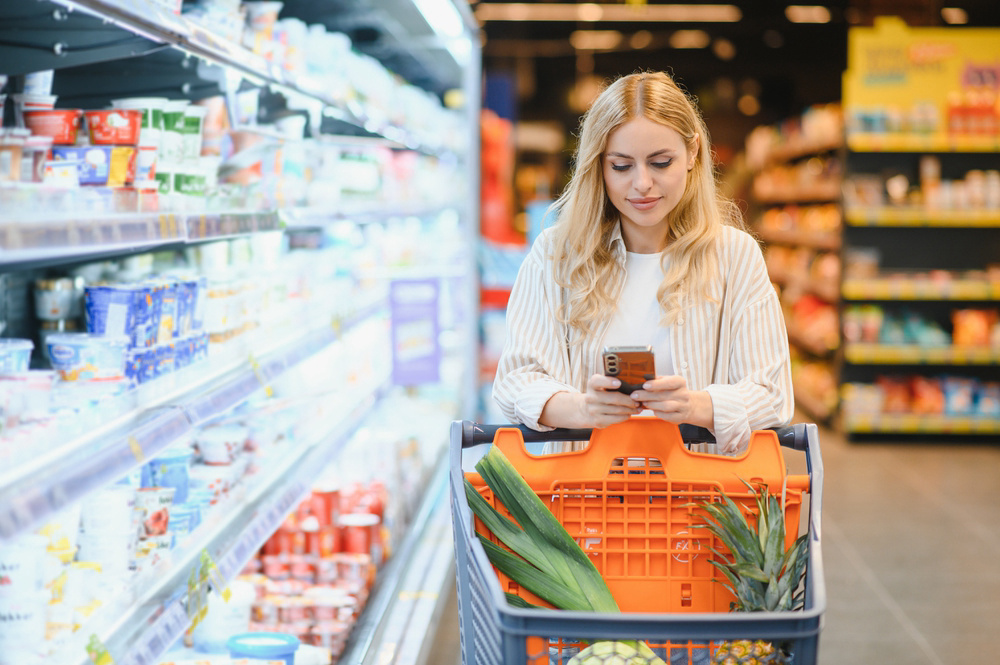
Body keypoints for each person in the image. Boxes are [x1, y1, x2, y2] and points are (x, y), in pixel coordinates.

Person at [491, 70, 793, 455]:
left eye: (661, 162)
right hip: (581, 499)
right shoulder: (556, 255)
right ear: (598, 166)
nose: (642, 184)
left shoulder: (735, 256)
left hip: (699, 503)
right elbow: (514, 381)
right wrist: (583, 407)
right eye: (621, 166)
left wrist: (697, 405)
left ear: (693, 153)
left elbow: (772, 393)